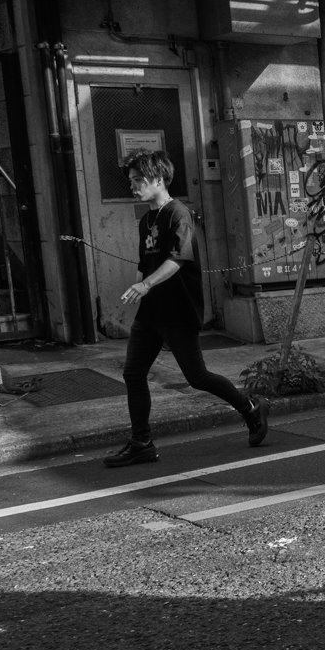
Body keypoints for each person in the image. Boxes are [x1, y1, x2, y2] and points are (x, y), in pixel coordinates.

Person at [103, 151, 267, 468]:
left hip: (178, 311)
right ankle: (141, 443)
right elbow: (144, 263)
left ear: (159, 179)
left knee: (197, 377)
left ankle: (250, 408)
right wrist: (136, 290)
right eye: (132, 181)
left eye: (139, 180)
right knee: (133, 373)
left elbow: (177, 260)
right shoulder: (147, 220)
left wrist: (145, 285)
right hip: (150, 313)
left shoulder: (179, 214)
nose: (133, 187)